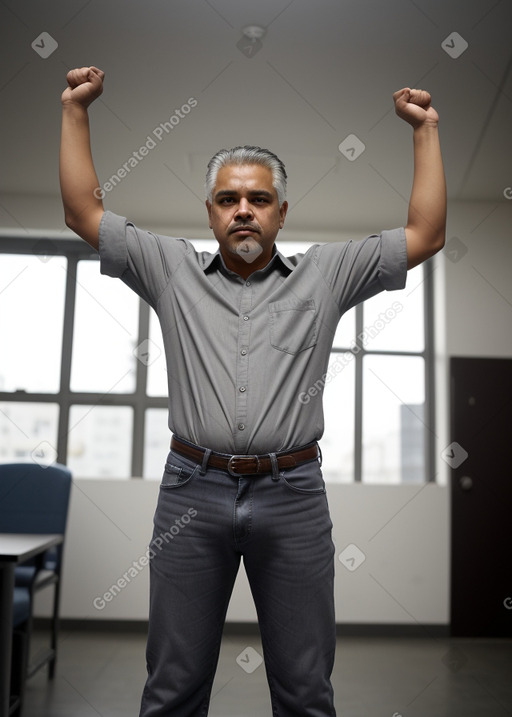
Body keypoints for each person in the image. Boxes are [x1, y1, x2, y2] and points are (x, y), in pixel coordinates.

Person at [60, 66, 446, 717]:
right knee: (172, 687)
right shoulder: (170, 267)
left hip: (292, 496)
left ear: (281, 212)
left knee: (305, 691)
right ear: (210, 212)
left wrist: (426, 131)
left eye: (259, 199)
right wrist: (75, 108)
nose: (244, 209)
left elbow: (426, 235)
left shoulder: (327, 272)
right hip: (192, 489)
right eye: (229, 199)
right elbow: (81, 212)